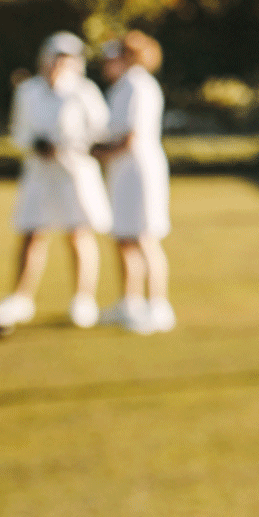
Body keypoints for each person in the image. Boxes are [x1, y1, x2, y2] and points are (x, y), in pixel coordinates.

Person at [0, 31, 113, 337]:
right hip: (39, 172)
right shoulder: (28, 91)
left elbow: (100, 131)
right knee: (32, 234)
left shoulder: (84, 91)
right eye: (56, 57)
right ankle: (21, 297)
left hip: (74, 172)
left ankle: (83, 300)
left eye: (66, 58)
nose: (60, 64)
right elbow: (19, 132)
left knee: (78, 233)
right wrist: (36, 144)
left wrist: (68, 146)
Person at [92, 30, 175, 335]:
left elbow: (131, 136)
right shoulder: (121, 87)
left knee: (144, 237)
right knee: (124, 237)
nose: (105, 62)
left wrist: (100, 153)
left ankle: (159, 306)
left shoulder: (139, 85)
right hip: (122, 172)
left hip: (140, 171)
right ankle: (130, 303)